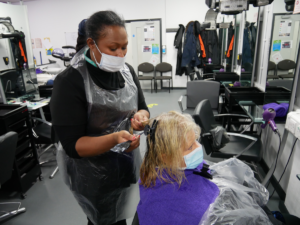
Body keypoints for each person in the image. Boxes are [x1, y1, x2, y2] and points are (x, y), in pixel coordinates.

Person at [50, 11, 149, 225]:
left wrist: (141, 117)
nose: (120, 54)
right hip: (93, 176)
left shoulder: (127, 72)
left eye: (124, 47)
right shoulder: (70, 81)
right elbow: (73, 146)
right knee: (102, 220)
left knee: (120, 218)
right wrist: (114, 139)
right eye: (113, 48)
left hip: (125, 166)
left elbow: (142, 108)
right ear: (92, 44)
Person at [137, 111, 278, 225]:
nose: (199, 148)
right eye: (190, 147)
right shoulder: (169, 209)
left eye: (196, 141)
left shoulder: (173, 166)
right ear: (165, 156)